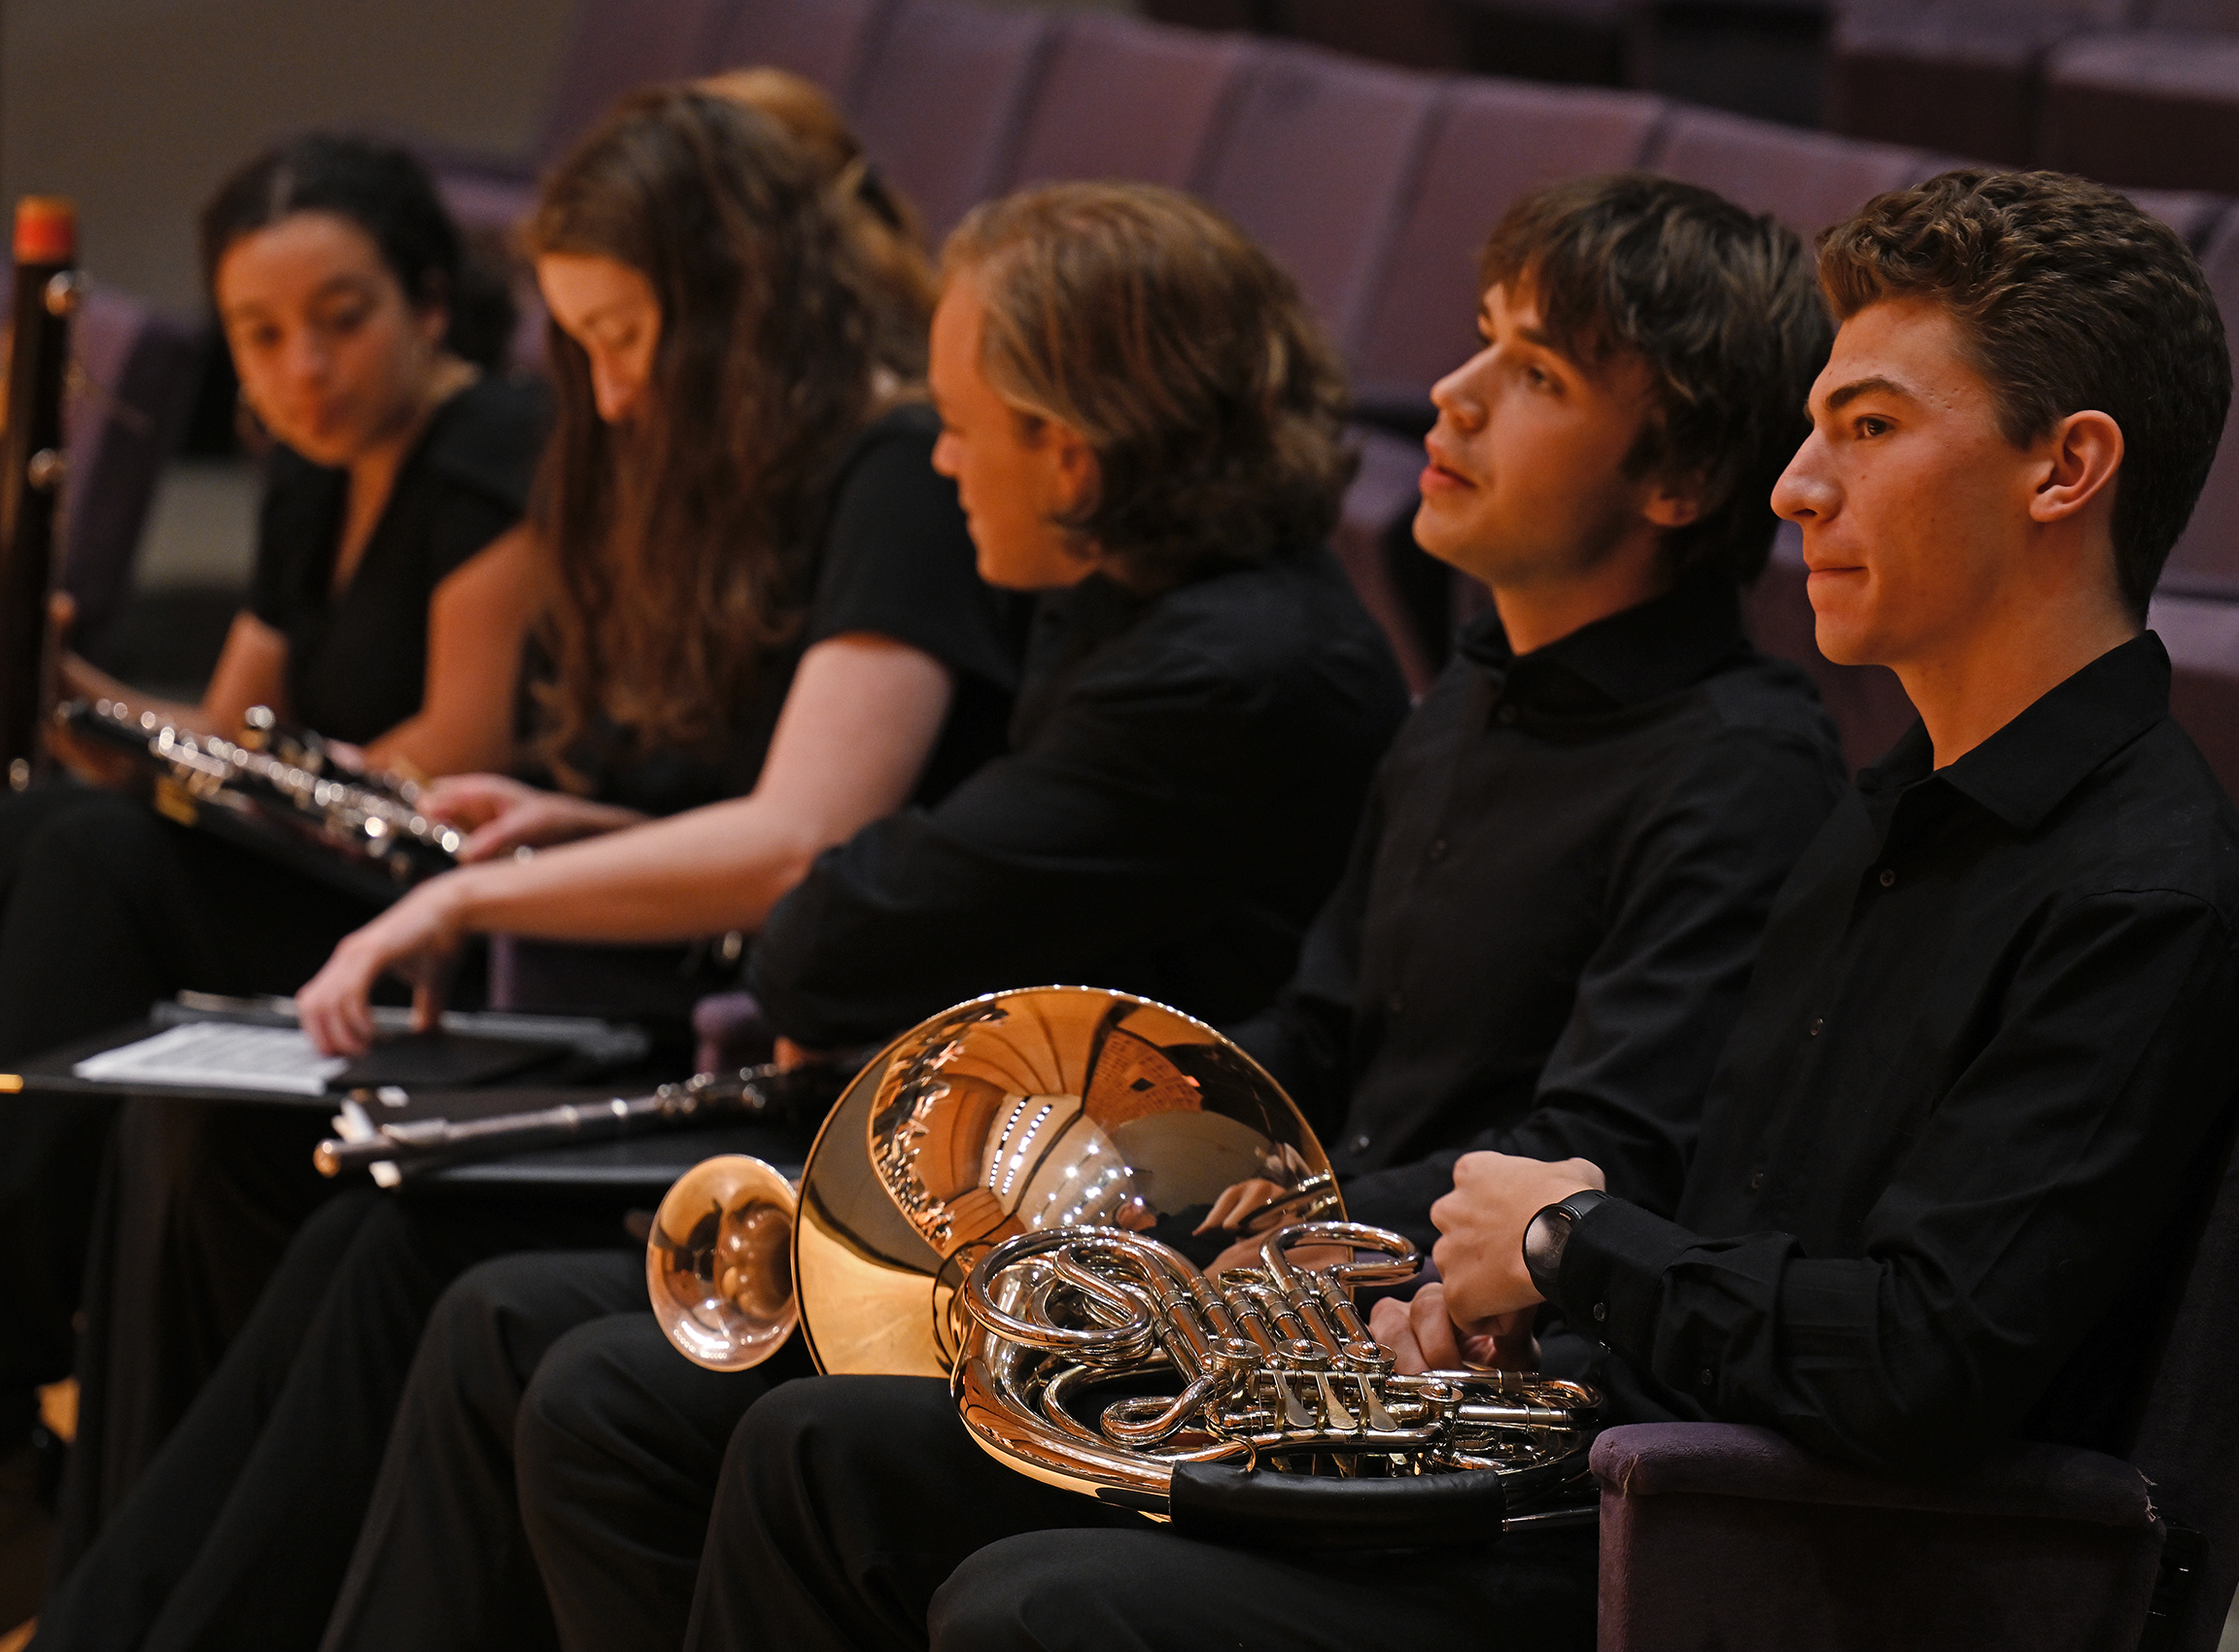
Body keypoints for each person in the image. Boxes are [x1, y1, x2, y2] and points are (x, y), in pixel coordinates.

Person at [692, 166, 2239, 1652]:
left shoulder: (2141, 887)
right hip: (1620, 1472)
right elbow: (1744, 1231)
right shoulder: (1886, 809)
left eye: (1871, 426)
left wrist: (1574, 1250)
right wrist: (1503, 1314)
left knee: (1041, 1609)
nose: (1798, 483)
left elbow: (1924, 1360)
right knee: (832, 1459)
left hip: (1768, 1570)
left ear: (2065, 468)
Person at [318, 172, 1852, 1652]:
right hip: (1269, 1294)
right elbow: (1312, 1036)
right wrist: (1074, 1186)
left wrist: (1247, 1250)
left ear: (1683, 480)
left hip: (1420, 1383)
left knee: (801, 1455)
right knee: (624, 1404)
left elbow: (1599, 1154)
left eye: (1532, 374)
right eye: (1476, 340)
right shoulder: (1465, 701)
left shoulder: (1737, 766)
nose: (1448, 395)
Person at [32, 180, 1407, 1652]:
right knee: (360, 1223)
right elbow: (888, 889)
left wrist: (786, 901)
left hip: (1104, 1239)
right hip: (981, 1156)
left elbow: (841, 925)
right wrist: (648, 849)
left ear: (1071, 453)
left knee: (478, 1304)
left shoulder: (1224, 668)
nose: (942, 458)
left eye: (967, 424)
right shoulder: (1121, 596)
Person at [37, 80, 1026, 1582]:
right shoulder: (723, 478)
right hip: (670, 1008)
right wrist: (575, 823)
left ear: (731, 308)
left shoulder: (892, 473)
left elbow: (801, 839)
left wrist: (481, 899)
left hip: (813, 1084)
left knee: (384, 1238)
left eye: (626, 341)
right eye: (585, 351)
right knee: (210, 1141)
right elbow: (747, 810)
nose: (610, 397)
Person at [0, 131, 542, 1623]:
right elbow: (223, 731)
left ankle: (5, 1308)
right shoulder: (312, 475)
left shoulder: (494, 451)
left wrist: (186, 773)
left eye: (343, 318)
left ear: (432, 303)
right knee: (47, 821)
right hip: (296, 867)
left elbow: (449, 753)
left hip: (417, 900)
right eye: (262, 335)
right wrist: (69, 688)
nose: (302, 367)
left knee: (100, 856)